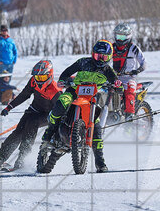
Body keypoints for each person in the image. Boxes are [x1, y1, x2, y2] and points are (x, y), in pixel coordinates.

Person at [40, 40, 117, 173]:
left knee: (96, 126)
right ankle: (49, 133)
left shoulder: (108, 70)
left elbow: (116, 82)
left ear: (109, 57)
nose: (100, 59)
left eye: (103, 57)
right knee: (61, 103)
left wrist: (117, 85)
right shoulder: (83, 62)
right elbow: (66, 72)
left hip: (91, 99)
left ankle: (100, 163)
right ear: (92, 54)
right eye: (97, 56)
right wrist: (63, 80)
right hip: (73, 92)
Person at [0, 60, 64, 171]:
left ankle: (22, 159)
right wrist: (9, 107)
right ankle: (1, 158)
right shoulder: (33, 81)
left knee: (32, 124)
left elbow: (61, 109)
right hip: (33, 110)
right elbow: (24, 95)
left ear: (49, 75)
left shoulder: (55, 90)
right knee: (18, 132)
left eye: (41, 78)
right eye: (37, 77)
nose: (38, 80)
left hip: (48, 115)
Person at [109, 22, 146, 119]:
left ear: (128, 36)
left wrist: (137, 71)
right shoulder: (111, 48)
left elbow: (144, 63)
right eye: (118, 36)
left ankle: (129, 117)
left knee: (129, 93)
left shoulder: (134, 48)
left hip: (129, 78)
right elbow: (105, 60)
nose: (119, 39)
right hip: (114, 77)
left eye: (122, 37)